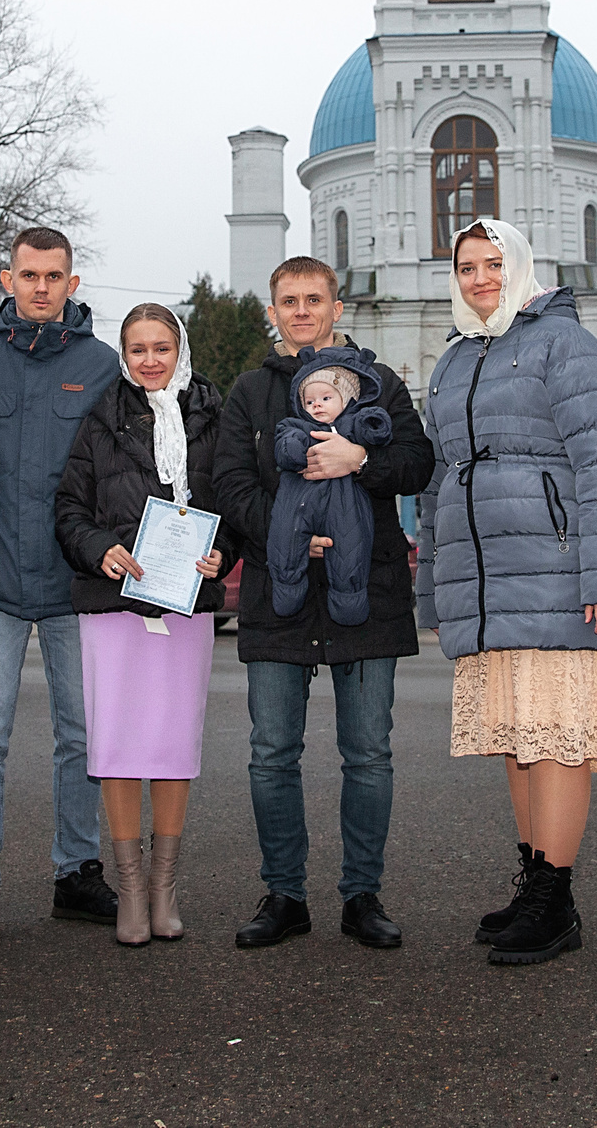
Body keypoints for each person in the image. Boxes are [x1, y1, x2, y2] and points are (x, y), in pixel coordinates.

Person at [416, 218, 597, 966]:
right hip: (484, 582)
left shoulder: (562, 342)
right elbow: (439, 480)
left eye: (493, 262)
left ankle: (555, 895)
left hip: (553, 572)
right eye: (467, 265)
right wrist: (433, 585)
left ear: (520, 266)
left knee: (556, 735)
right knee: (516, 736)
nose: (480, 277)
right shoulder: (455, 359)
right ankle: (539, 883)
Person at [211, 256, 435, 951]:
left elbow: (418, 464)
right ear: (271, 310)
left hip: (364, 591)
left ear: (337, 307)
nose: (301, 309)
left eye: (313, 298)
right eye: (288, 299)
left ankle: (361, 896)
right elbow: (228, 483)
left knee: (367, 752)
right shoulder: (251, 391)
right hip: (278, 591)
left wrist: (360, 461)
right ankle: (284, 894)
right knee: (271, 752)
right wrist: (288, 527)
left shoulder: (380, 383)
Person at [0, 227, 123, 941]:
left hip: (72, 582)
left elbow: (123, 469)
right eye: (29, 274)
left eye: (54, 275)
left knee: (81, 735)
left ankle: (77, 871)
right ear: (6, 278)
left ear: (72, 284)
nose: (41, 286)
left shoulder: (101, 363)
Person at [52, 303, 227, 946]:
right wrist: (99, 547)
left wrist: (222, 552)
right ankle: (129, 890)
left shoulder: (214, 414)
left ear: (181, 349)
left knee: (174, 746)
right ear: (122, 356)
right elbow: (68, 507)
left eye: (162, 347)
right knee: (119, 745)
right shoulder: (100, 419)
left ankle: (164, 887)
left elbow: (231, 501)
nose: (150, 360)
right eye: (136, 350)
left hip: (186, 606)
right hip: (115, 606)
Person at [267, 356, 396, 625]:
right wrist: (294, 449)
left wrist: (375, 424)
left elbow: (379, 433)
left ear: (347, 400)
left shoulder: (353, 424)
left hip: (344, 504)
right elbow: (283, 446)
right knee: (285, 541)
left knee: (350, 551)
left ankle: (349, 601)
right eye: (309, 401)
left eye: (326, 398)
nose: (317, 405)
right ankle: (286, 590)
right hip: (297, 503)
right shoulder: (296, 425)